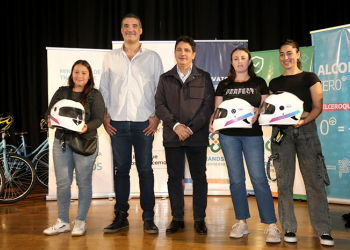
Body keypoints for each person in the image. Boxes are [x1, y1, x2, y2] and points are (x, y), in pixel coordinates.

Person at [99, 13, 164, 234]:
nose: (130, 29)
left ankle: (148, 217)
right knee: (121, 170)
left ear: (141, 30)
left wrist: (157, 117)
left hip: (144, 123)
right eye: (126, 26)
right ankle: (121, 216)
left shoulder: (153, 58)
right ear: (121, 30)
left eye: (134, 26)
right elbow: (104, 89)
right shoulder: (110, 58)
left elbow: (160, 90)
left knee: (145, 169)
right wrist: (105, 116)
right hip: (116, 122)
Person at [209, 47, 281, 243]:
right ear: (231, 62)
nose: (239, 61)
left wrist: (260, 110)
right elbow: (217, 111)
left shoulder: (259, 83)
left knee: (258, 179)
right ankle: (241, 221)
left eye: (243, 58)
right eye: (235, 58)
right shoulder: (224, 85)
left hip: (252, 135)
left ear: (249, 62)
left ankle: (271, 224)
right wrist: (212, 122)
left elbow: (268, 110)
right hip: (228, 136)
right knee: (236, 180)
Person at [269, 39, 334, 246]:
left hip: (306, 132)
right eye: (281, 54)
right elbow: (272, 111)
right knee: (284, 183)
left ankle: (323, 230)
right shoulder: (274, 83)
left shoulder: (310, 77)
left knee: (314, 182)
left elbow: (318, 107)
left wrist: (304, 120)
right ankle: (288, 227)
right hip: (281, 134)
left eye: (289, 53)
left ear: (298, 54)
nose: (285, 57)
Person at [155, 35, 215, 235]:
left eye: (187, 50)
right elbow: (160, 106)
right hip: (173, 137)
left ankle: (199, 219)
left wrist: (189, 128)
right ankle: (177, 218)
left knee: (199, 178)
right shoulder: (165, 78)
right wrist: (176, 126)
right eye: (179, 49)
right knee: (174, 178)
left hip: (196, 136)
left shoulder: (204, 77)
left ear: (193, 54)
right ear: (175, 53)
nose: (183, 53)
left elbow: (208, 107)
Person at [43, 60, 105, 236]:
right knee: (62, 183)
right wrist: (49, 120)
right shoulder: (62, 92)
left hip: (84, 142)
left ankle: (80, 221)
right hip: (61, 142)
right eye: (76, 72)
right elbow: (49, 112)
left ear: (89, 76)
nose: (79, 76)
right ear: (71, 74)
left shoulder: (94, 94)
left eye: (84, 73)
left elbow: (99, 118)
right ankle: (62, 221)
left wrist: (87, 127)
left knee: (83, 183)